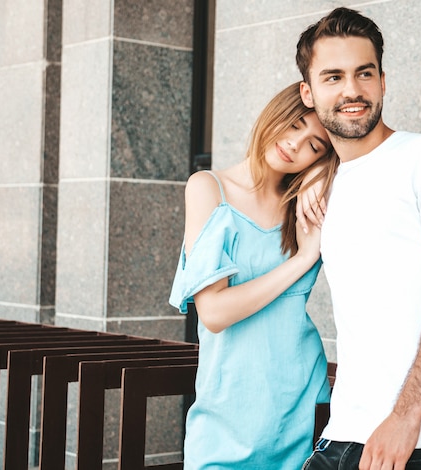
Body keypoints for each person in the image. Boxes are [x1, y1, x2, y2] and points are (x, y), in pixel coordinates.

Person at [295, 7, 421, 470]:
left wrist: (405, 417)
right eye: (333, 77)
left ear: (383, 80)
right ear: (309, 91)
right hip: (342, 436)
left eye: (364, 73)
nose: (352, 90)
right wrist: (315, 176)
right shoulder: (327, 185)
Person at [169, 81, 339, 469]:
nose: (297, 144)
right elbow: (213, 313)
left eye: (315, 145)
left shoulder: (307, 204)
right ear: (276, 110)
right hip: (229, 410)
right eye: (296, 124)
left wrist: (324, 176)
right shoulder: (209, 189)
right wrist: (301, 260)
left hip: (302, 402)